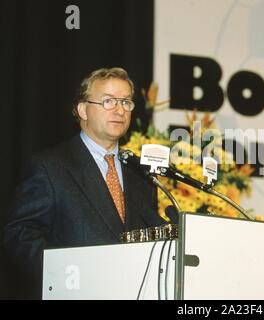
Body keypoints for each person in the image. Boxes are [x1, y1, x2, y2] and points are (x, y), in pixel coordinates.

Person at [3, 67, 165, 298]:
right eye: (108, 101)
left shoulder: (140, 172)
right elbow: (20, 234)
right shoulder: (49, 166)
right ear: (83, 110)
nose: (120, 110)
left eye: (126, 102)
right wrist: (69, 277)